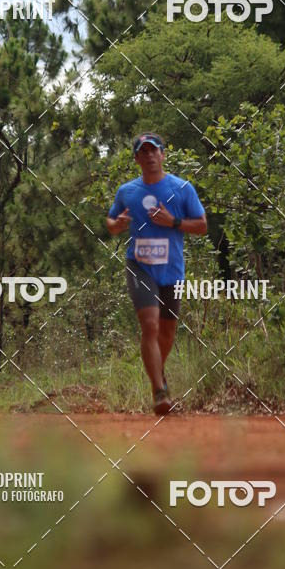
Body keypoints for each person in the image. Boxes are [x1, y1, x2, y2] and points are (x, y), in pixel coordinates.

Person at [106, 133, 207, 415]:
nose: (150, 156)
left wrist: (172, 221)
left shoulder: (182, 188)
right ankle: (159, 391)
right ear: (137, 158)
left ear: (163, 155)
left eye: (155, 151)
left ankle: (157, 373)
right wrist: (118, 224)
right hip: (139, 265)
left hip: (171, 270)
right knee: (149, 326)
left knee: (167, 331)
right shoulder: (127, 191)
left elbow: (202, 225)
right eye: (144, 152)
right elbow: (111, 221)